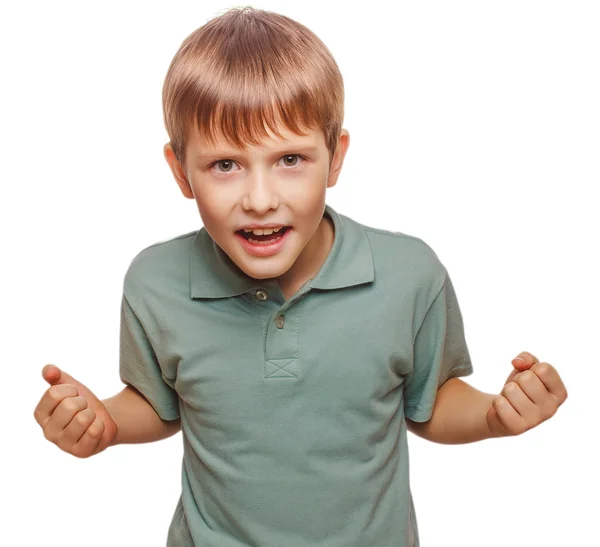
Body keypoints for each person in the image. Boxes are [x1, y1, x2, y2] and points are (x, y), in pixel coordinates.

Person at [33, 6, 568, 546]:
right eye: (225, 165)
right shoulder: (155, 283)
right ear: (180, 172)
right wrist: (100, 422)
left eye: (290, 159)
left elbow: (431, 403)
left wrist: (497, 416)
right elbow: (158, 405)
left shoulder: (409, 276)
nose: (260, 200)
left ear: (335, 157)